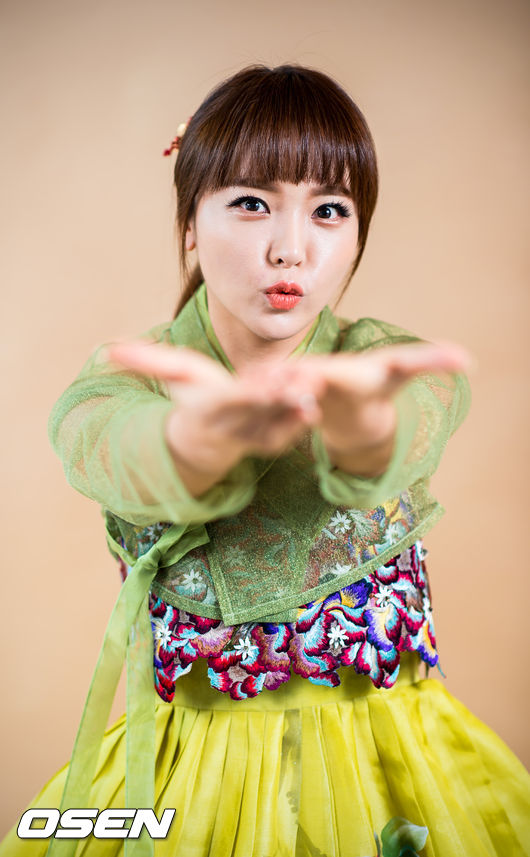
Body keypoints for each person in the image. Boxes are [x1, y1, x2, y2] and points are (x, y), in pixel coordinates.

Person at [2, 64, 529, 857]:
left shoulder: (390, 366)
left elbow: (401, 433)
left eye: (329, 210)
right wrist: (199, 438)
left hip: (389, 765)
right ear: (190, 221)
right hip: (186, 780)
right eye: (252, 203)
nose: (291, 249)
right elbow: (115, 447)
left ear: (359, 234)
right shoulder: (125, 382)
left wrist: (360, 422)